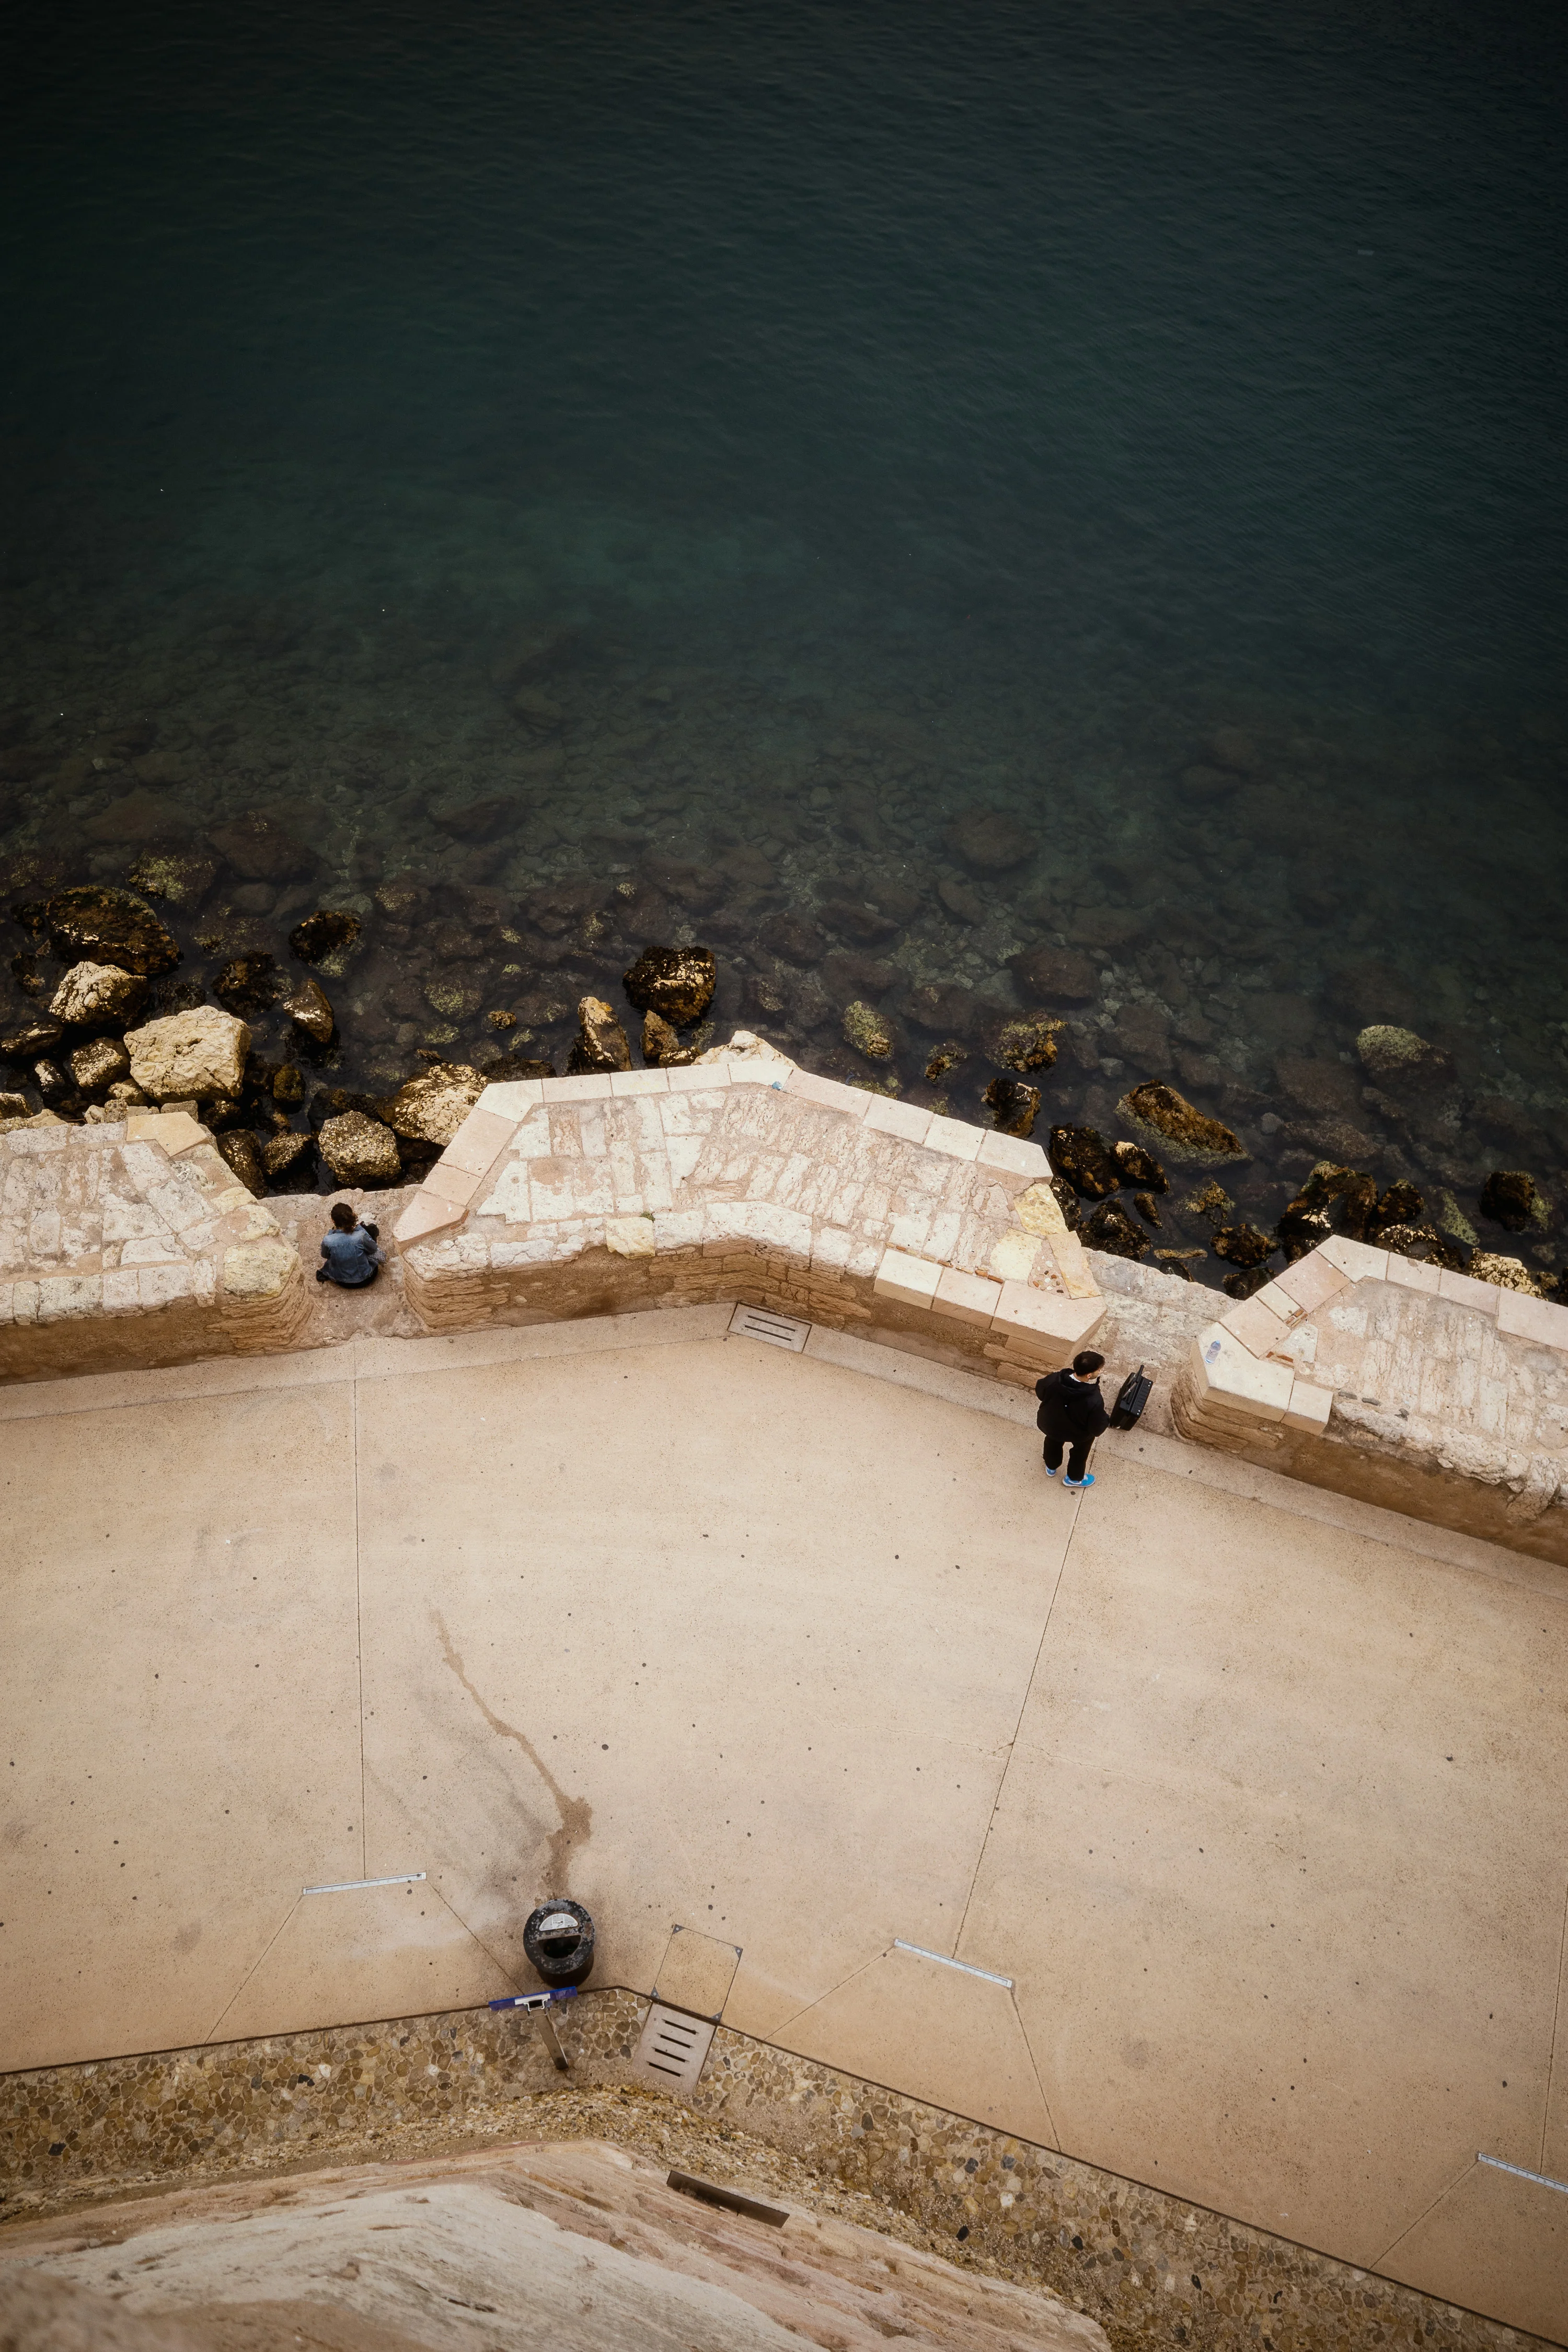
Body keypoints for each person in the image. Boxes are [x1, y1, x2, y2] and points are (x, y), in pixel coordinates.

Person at [1035, 1350, 1110, 1490]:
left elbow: (1040, 1391)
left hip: (1052, 1425)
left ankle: (1051, 1466)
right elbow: (1097, 1428)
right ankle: (1074, 1479)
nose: (1100, 1371)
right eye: (1099, 1370)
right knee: (1080, 1453)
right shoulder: (1094, 1399)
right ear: (1089, 1375)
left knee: (1052, 1442)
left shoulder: (1054, 1379)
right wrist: (1106, 1420)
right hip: (1079, 1434)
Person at [316, 1200, 383, 1287]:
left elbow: (325, 1256)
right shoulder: (361, 1236)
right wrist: (359, 1229)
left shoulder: (328, 1240)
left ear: (333, 1221)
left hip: (341, 1282)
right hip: (366, 1279)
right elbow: (373, 1249)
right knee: (371, 1232)